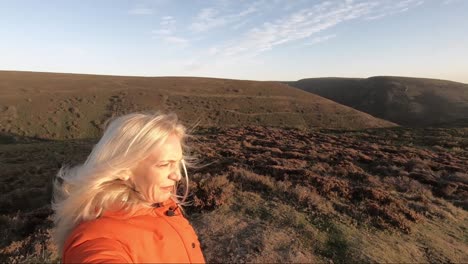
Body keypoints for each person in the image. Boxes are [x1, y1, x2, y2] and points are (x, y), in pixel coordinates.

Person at [51, 112, 205, 263]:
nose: (177, 176)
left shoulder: (162, 206)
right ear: (124, 169)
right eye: (164, 164)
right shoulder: (98, 239)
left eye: (177, 163)